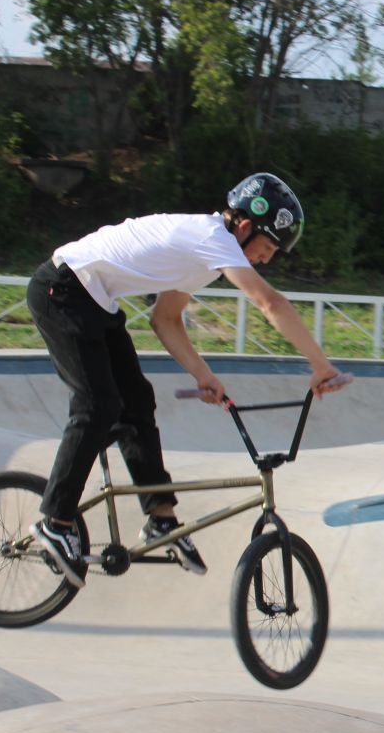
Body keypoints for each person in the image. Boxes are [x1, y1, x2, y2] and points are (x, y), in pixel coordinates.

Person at [24, 171, 349, 587]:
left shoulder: (203, 258)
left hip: (94, 303)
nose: (266, 259)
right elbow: (269, 301)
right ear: (244, 227)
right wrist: (321, 365)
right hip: (63, 291)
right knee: (99, 405)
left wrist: (204, 375)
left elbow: (165, 319)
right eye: (267, 247)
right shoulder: (210, 237)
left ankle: (161, 520)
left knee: (137, 402)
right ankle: (56, 520)